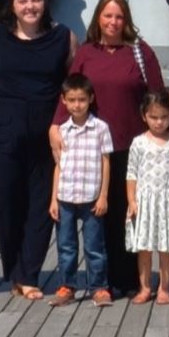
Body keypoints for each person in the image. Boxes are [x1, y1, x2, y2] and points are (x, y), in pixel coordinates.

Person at [51, 0, 164, 296]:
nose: (113, 22)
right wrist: (55, 124)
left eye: (119, 16)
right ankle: (103, 279)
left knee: (126, 211)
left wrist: (164, 138)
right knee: (99, 213)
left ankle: (128, 278)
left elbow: (157, 97)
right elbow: (72, 91)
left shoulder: (141, 53)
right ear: (98, 18)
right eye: (108, 16)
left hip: (133, 145)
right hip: (95, 146)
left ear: (126, 20)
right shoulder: (87, 52)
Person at [0, 0, 77, 300]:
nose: (30, 7)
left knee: (40, 205)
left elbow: (73, 84)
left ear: (44, 3)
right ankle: (14, 265)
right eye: (23, 1)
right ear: (13, 6)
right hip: (2, 131)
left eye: (35, 0)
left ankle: (28, 274)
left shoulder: (63, 38)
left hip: (46, 133)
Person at [49, 73, 114, 307]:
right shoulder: (62, 131)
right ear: (64, 100)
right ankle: (67, 286)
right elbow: (58, 166)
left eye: (82, 100)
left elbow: (106, 162)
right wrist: (53, 199)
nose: (77, 105)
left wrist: (104, 195)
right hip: (65, 196)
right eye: (72, 100)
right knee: (66, 245)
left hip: (91, 196)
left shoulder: (100, 128)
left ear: (90, 99)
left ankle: (98, 287)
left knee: (94, 245)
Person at [125, 90, 169, 305]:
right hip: (144, 200)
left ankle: (165, 287)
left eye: (164, 117)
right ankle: (145, 287)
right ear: (144, 116)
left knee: (165, 247)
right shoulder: (138, 142)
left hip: (166, 201)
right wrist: (132, 200)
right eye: (154, 117)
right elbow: (131, 172)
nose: (159, 122)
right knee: (144, 248)